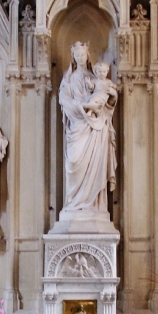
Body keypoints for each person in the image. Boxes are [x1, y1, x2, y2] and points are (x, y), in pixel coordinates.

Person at [58, 42, 117, 218]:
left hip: (95, 129)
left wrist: (112, 98)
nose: (80, 58)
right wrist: (82, 106)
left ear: (87, 55)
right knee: (74, 161)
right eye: (77, 55)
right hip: (77, 125)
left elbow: (107, 104)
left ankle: (95, 206)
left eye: (82, 55)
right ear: (73, 57)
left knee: (95, 165)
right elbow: (64, 100)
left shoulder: (96, 78)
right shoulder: (68, 79)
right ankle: (74, 204)